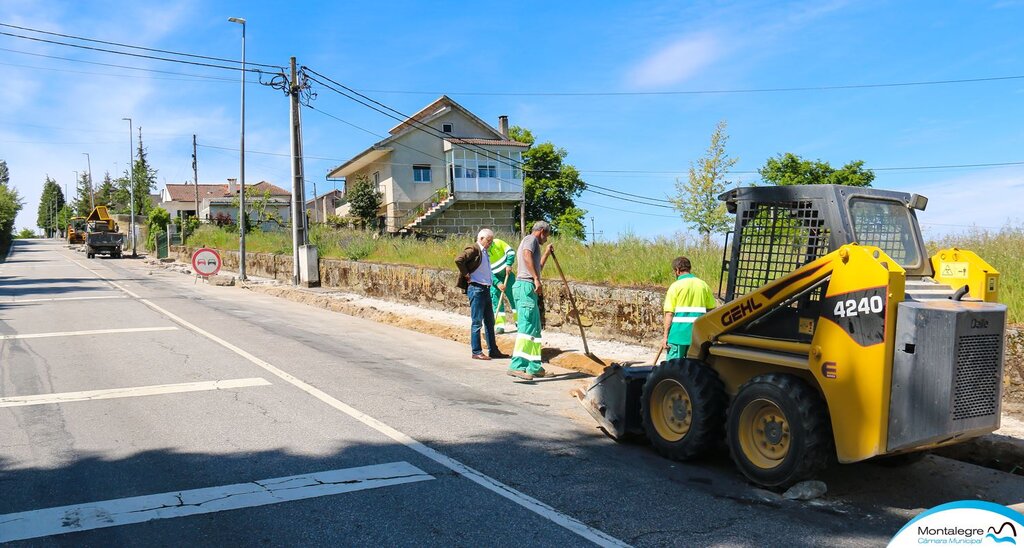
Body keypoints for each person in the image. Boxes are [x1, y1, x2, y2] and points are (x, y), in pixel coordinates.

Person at [508, 221, 553, 380]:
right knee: (526, 328)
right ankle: (517, 366)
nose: (546, 239)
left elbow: (537, 267)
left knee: (535, 330)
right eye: (546, 235)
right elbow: (527, 255)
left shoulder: (536, 245)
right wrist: (535, 279)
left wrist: (546, 253)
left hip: (528, 287)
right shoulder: (530, 239)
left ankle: (534, 367)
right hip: (525, 286)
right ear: (541, 231)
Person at [455, 228, 507, 360]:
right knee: (477, 322)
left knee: (490, 322)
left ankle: (493, 350)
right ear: (481, 238)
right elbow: (459, 259)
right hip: (477, 289)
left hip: (485, 289)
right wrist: (466, 274)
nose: (490, 243)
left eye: (491, 241)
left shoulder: (485, 252)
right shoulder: (474, 249)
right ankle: (476, 351)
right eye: (488, 241)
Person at [661, 256, 716, 361]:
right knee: (694, 368)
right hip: (698, 336)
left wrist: (665, 337)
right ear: (689, 268)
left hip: (678, 335)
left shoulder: (675, 286)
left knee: (674, 369)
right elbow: (711, 311)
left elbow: (669, 314)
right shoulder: (703, 285)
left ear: (677, 270)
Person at [487, 236, 517, 334]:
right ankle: (499, 326)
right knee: (496, 302)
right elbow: (487, 271)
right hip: (495, 279)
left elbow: (511, 252)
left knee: (514, 299)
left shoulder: (498, 242)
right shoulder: (482, 252)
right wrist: (497, 283)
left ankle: (519, 323)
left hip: (508, 276)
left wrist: (509, 264)